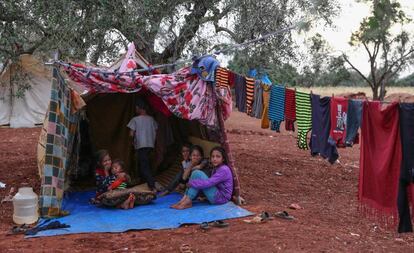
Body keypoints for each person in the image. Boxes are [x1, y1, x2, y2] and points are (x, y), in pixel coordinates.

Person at [127, 99, 163, 192]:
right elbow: (156, 130)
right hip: (150, 146)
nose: (135, 109)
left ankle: (152, 186)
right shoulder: (151, 119)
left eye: (136, 107)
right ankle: (147, 183)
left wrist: (132, 142)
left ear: (139, 108)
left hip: (141, 146)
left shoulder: (135, 120)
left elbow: (131, 134)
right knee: (147, 165)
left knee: (144, 167)